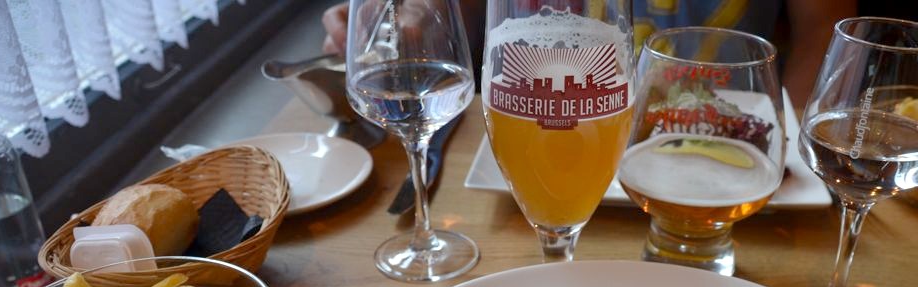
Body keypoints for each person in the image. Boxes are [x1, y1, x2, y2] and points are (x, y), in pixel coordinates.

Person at [320, 0, 856, 105]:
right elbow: (458, 13)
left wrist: (787, 152)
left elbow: (824, 32)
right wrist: (409, 22)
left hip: (724, 128)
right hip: (540, 126)